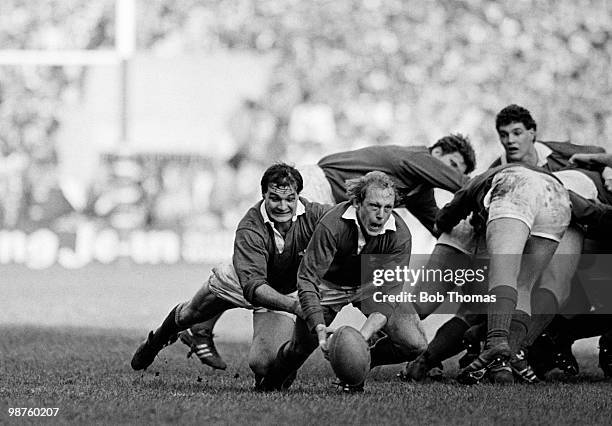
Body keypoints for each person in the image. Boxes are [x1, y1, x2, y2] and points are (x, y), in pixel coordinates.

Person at [130, 164, 330, 387]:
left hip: (282, 289)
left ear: (298, 196)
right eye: (274, 198)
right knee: (189, 314)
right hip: (241, 280)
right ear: (263, 195)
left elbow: (350, 225)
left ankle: (262, 369)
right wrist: (295, 308)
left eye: (289, 199)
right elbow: (254, 287)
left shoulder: (317, 214)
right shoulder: (251, 226)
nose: (283, 206)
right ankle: (156, 341)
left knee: (266, 364)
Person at [259, 171, 428, 392]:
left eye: (388, 208)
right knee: (299, 349)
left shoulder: (400, 235)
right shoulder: (332, 224)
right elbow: (307, 278)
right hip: (328, 286)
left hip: (371, 285)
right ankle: (268, 386)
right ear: (357, 202)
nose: (381, 215)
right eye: (374, 206)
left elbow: (389, 296)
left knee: (415, 344)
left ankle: (358, 366)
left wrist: (360, 342)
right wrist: (318, 325)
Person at [300, 134, 476, 235]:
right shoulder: (418, 157)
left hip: (330, 207)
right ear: (437, 152)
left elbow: (440, 227)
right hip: (316, 186)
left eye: (456, 171)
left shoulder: (422, 193)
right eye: (452, 165)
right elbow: (465, 184)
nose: (451, 173)